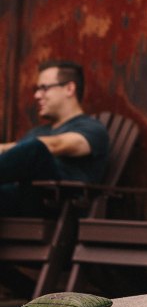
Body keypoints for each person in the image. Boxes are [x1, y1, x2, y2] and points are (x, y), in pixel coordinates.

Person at [0, 59, 110, 217]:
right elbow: (17, 155)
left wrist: (5, 148)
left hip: (60, 203)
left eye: (44, 88)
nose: (37, 95)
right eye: (37, 89)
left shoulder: (91, 128)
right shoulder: (38, 132)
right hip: (23, 197)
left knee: (36, 149)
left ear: (69, 88)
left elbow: (56, 145)